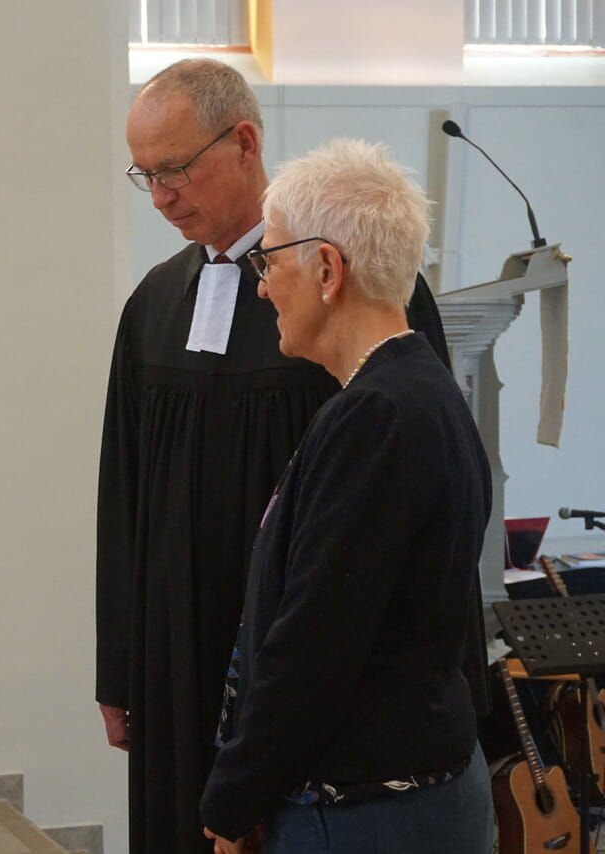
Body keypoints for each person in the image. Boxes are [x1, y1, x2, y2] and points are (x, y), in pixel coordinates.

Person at [95, 59, 454, 854]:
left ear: (246, 142)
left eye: (176, 170)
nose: (161, 198)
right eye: (145, 177)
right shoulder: (153, 303)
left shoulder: (349, 289)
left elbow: (411, 493)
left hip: (296, 659)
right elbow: (121, 492)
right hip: (171, 649)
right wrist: (118, 666)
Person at [199, 138, 492, 854]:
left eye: (270, 262)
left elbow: (314, 644)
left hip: (365, 813)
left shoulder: (379, 418)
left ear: (327, 268)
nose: (262, 286)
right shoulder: (415, 393)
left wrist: (231, 799)